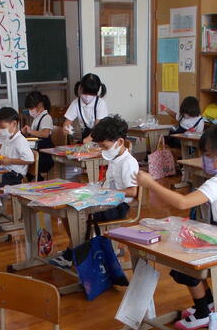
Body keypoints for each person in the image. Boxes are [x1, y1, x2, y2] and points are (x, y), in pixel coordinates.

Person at [136, 122, 217, 330]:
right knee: (185, 249)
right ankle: (208, 303)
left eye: (209, 155)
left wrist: (151, 184)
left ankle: (203, 312)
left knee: (186, 263)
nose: (205, 159)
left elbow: (182, 203)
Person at [48, 115, 139, 269]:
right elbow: (109, 181)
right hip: (107, 201)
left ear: (120, 142)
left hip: (118, 206)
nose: (103, 150)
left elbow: (132, 192)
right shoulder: (115, 159)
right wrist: (96, 187)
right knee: (68, 212)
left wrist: (108, 192)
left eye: (104, 146)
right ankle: (76, 250)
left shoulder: (128, 163)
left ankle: (73, 254)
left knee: (77, 215)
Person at [0, 107, 35, 219]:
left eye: (3, 127)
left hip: (14, 177)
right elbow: (3, 159)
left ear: (14, 124)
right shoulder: (7, 139)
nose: (1, 130)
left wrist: (9, 160)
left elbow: (30, 159)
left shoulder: (20, 140)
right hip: (5, 173)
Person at [62, 73, 108, 142]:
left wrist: (88, 139)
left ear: (97, 92)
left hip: (99, 134)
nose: (87, 96)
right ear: (80, 88)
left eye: (91, 94)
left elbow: (99, 127)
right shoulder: (75, 103)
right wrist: (66, 129)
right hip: (84, 133)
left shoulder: (100, 103)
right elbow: (67, 123)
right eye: (85, 92)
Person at [22, 91, 55, 178]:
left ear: (40, 105)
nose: (30, 111)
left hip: (44, 156)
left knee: (26, 164)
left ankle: (35, 180)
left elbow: (45, 134)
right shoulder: (37, 118)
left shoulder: (46, 117)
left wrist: (30, 131)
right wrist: (26, 133)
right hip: (38, 151)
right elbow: (35, 135)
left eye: (31, 108)